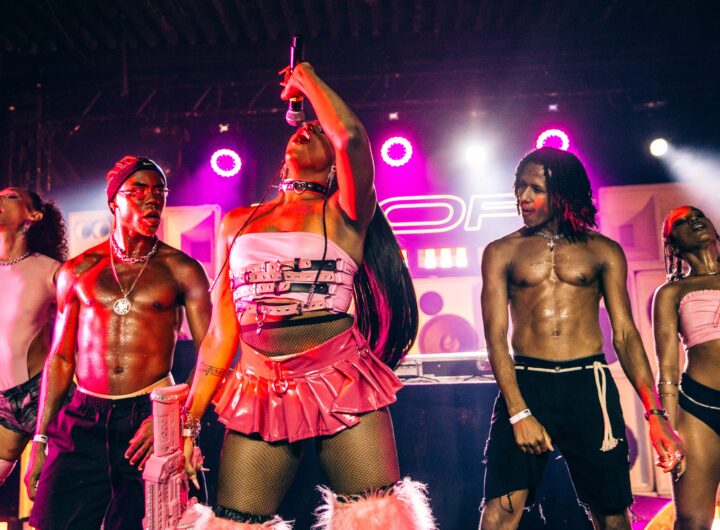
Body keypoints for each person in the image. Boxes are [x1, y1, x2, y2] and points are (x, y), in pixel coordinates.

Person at [178, 62, 434, 529]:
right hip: (260, 387)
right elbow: (220, 332)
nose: (309, 129)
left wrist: (308, 79)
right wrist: (189, 421)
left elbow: (350, 136)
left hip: (341, 379)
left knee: (377, 518)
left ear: (336, 164)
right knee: (233, 523)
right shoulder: (237, 221)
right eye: (305, 126)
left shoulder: (345, 212)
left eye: (320, 131)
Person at [478, 147, 684, 530]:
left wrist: (655, 415)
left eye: (535, 189)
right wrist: (519, 413)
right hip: (527, 384)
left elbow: (626, 335)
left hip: (589, 385)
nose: (523, 197)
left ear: (562, 193)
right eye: (519, 187)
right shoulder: (501, 252)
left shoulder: (603, 251)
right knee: (498, 513)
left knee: (612, 515)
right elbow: (495, 339)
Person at [24, 156, 212, 529]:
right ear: (114, 201)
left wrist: (176, 419)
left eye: (159, 191)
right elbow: (60, 358)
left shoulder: (181, 269)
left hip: (149, 418)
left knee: (154, 523)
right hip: (82, 417)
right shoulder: (78, 270)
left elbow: (212, 353)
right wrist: (41, 439)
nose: (152, 198)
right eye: (138, 190)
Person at [653, 205, 720, 530]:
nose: (693, 221)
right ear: (672, 245)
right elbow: (667, 368)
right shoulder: (671, 293)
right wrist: (667, 429)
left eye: (698, 216)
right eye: (681, 222)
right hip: (698, 408)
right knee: (693, 521)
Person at [0, 187, 68, 487]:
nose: (0, 199)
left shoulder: (51, 270)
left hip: (45, 397)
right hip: (2, 406)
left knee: (56, 497)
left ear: (34, 215)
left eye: (11, 196)